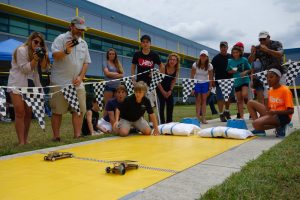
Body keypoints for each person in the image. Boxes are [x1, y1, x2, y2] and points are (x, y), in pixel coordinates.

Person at [50, 16, 91, 141]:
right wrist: (66, 51)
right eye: (78, 28)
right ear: (71, 26)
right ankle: (56, 137)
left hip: (77, 83)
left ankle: (77, 135)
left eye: (82, 29)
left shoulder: (84, 43)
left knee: (79, 110)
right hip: (59, 82)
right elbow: (55, 55)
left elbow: (86, 62)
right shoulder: (61, 39)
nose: (80, 32)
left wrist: (81, 77)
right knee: (57, 111)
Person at [7, 32, 50, 145]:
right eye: (35, 42)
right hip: (17, 84)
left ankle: (25, 139)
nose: (37, 44)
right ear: (30, 40)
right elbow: (25, 69)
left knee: (28, 113)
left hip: (31, 85)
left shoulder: (38, 53)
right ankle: (21, 141)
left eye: (40, 43)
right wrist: (35, 59)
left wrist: (45, 55)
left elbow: (45, 68)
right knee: (20, 112)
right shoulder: (21, 50)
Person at [247, 68, 294, 137]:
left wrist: (274, 113)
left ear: (278, 78)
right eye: (267, 77)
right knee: (250, 103)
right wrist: (264, 116)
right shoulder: (270, 91)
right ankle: (260, 130)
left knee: (256, 124)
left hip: (283, 116)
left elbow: (291, 111)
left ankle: (281, 126)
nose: (268, 79)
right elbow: (269, 108)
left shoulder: (285, 90)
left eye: (271, 77)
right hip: (273, 114)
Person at [248, 31, 284, 103]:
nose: (262, 41)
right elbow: (250, 61)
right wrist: (253, 53)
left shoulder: (277, 43)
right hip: (267, 75)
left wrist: (267, 50)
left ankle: (284, 112)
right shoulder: (258, 48)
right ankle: (270, 113)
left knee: (282, 93)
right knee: (268, 95)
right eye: (260, 39)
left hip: (280, 72)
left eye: (264, 39)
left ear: (269, 37)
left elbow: (280, 54)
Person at [131, 35, 164, 108]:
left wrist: (156, 74)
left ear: (150, 43)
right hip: (139, 82)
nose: (145, 44)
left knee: (150, 105)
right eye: (143, 42)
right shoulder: (137, 54)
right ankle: (140, 119)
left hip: (151, 83)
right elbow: (133, 67)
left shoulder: (154, 55)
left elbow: (161, 66)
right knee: (139, 104)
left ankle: (151, 120)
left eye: (147, 42)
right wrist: (133, 79)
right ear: (141, 44)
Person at [227, 46, 251, 119]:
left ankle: (252, 111)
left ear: (240, 52)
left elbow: (249, 69)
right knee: (239, 100)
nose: (235, 54)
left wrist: (245, 72)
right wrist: (232, 71)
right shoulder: (230, 61)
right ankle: (241, 117)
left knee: (245, 95)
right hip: (237, 81)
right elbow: (228, 71)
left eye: (236, 52)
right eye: (233, 53)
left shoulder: (244, 60)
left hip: (245, 80)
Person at [211, 41, 232, 122]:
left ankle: (227, 111)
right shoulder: (215, 58)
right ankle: (221, 114)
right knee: (220, 98)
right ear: (220, 48)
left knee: (228, 98)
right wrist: (212, 80)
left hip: (230, 80)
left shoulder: (231, 57)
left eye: (225, 47)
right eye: (222, 47)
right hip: (219, 81)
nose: (223, 48)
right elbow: (212, 70)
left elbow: (234, 66)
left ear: (227, 47)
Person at [190, 50, 213, 124]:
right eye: (202, 55)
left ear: (207, 57)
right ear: (200, 56)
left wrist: (210, 87)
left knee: (204, 101)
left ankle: (203, 118)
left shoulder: (209, 65)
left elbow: (211, 77)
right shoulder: (195, 64)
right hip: (197, 83)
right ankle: (197, 118)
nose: (203, 57)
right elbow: (192, 76)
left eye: (204, 56)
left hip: (205, 83)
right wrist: (192, 87)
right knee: (198, 100)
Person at [156, 53, 179, 124]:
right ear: (168, 60)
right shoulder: (163, 68)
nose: (172, 61)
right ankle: (161, 123)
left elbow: (173, 81)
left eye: (174, 60)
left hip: (168, 89)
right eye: (171, 59)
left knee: (170, 104)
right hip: (160, 88)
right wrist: (163, 92)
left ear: (177, 62)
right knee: (161, 105)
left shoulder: (176, 70)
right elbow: (158, 81)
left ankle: (169, 122)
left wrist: (170, 90)